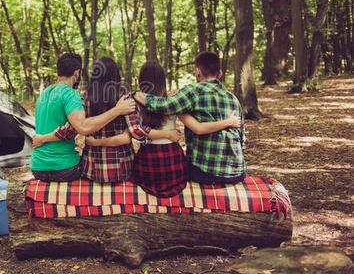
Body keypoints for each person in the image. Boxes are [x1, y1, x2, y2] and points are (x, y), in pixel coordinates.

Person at [35, 57, 181, 183]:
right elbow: (136, 132)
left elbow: (70, 130)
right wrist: (167, 134)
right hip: (121, 170)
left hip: (92, 170)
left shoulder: (84, 97)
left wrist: (43, 138)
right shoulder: (124, 96)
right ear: (116, 75)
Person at [134, 51, 247, 185]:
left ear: (197, 72)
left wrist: (138, 95)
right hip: (237, 172)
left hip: (206, 172)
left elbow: (164, 105)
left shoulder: (194, 91)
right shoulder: (233, 99)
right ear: (220, 73)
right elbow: (242, 140)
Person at [31, 53, 136, 182]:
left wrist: (42, 138)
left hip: (41, 167)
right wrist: (118, 110)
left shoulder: (45, 94)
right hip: (115, 168)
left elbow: (68, 129)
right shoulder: (72, 95)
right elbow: (82, 127)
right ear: (77, 73)